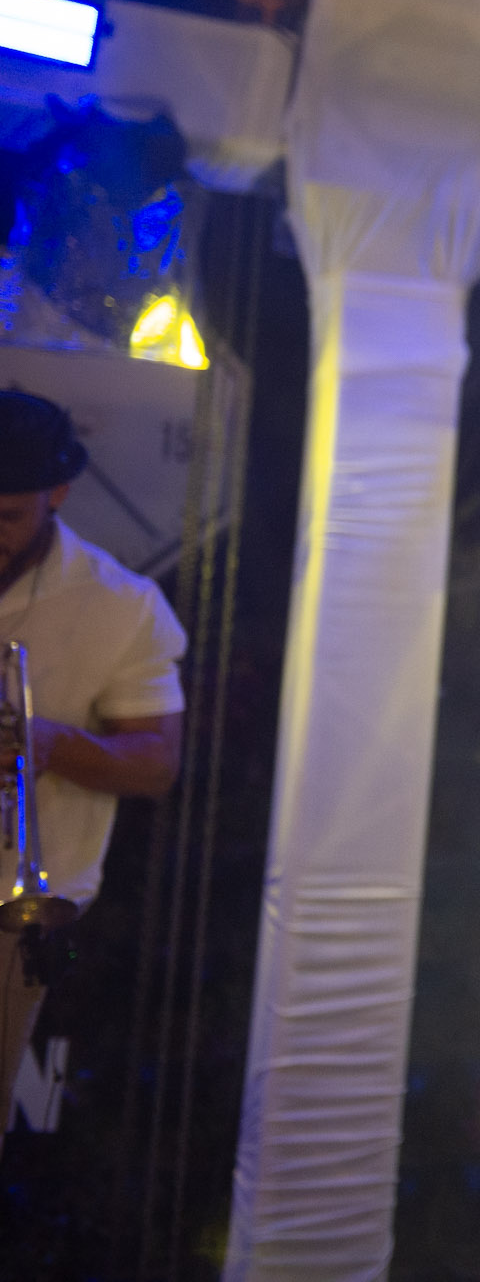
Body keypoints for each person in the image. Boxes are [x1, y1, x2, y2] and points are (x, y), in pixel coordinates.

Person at [0, 389, 186, 1147]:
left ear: (58, 494)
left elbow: (156, 763)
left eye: (8, 516)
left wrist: (48, 743)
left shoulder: (122, 604)